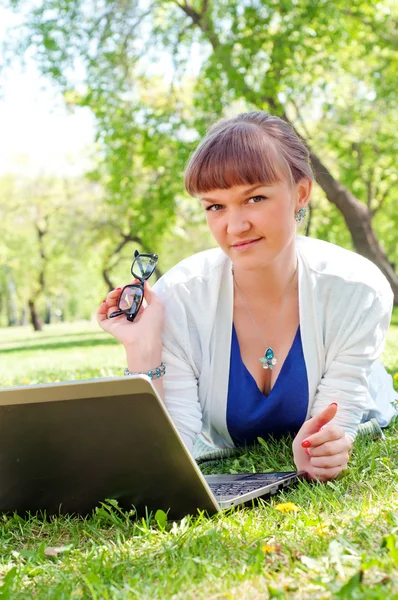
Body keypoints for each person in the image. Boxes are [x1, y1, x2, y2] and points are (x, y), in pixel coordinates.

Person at [97, 111, 397, 482]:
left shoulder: (357, 289)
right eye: (215, 206)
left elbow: (334, 424)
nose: (235, 226)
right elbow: (166, 453)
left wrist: (322, 448)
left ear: (300, 193)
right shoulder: (181, 297)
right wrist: (142, 348)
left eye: (255, 198)